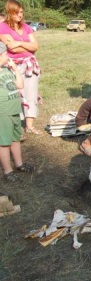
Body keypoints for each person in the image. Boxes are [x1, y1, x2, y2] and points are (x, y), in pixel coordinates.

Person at [0, 0, 41, 134]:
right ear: (10, 12)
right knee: (16, 94)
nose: (20, 15)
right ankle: (15, 125)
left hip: (30, 64)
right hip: (13, 66)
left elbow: (36, 46)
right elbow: (13, 49)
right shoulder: (3, 27)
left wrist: (18, 42)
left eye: (22, 12)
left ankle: (29, 126)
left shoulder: (26, 27)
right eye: (17, 12)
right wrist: (25, 45)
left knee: (31, 94)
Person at [0, 42, 34, 182]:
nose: (7, 56)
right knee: (4, 142)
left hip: (14, 110)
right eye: (4, 54)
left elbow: (20, 85)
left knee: (15, 138)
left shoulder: (7, 70)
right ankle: (8, 170)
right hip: (3, 112)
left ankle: (19, 164)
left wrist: (15, 70)